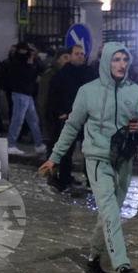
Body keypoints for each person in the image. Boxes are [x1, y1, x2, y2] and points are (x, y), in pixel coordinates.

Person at [38, 43, 138, 273]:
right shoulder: (88, 91)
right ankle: (123, 268)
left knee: (109, 215)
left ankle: (93, 259)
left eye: (125, 59)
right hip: (97, 159)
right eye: (116, 59)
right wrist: (55, 158)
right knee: (111, 211)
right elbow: (71, 127)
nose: (122, 64)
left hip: (124, 160)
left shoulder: (134, 91)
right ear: (106, 63)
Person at [47, 44, 93, 191]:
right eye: (77, 53)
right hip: (69, 118)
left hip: (87, 118)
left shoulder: (88, 73)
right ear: (70, 56)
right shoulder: (62, 74)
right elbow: (53, 96)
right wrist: (61, 113)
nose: (80, 56)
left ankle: (90, 180)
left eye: (82, 53)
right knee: (67, 151)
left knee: (91, 150)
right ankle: (64, 180)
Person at [3, 42, 45, 155]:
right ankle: (10, 144)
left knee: (33, 120)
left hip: (26, 94)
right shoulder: (18, 63)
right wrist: (30, 65)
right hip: (21, 94)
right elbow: (28, 76)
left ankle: (39, 144)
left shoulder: (19, 61)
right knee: (18, 120)